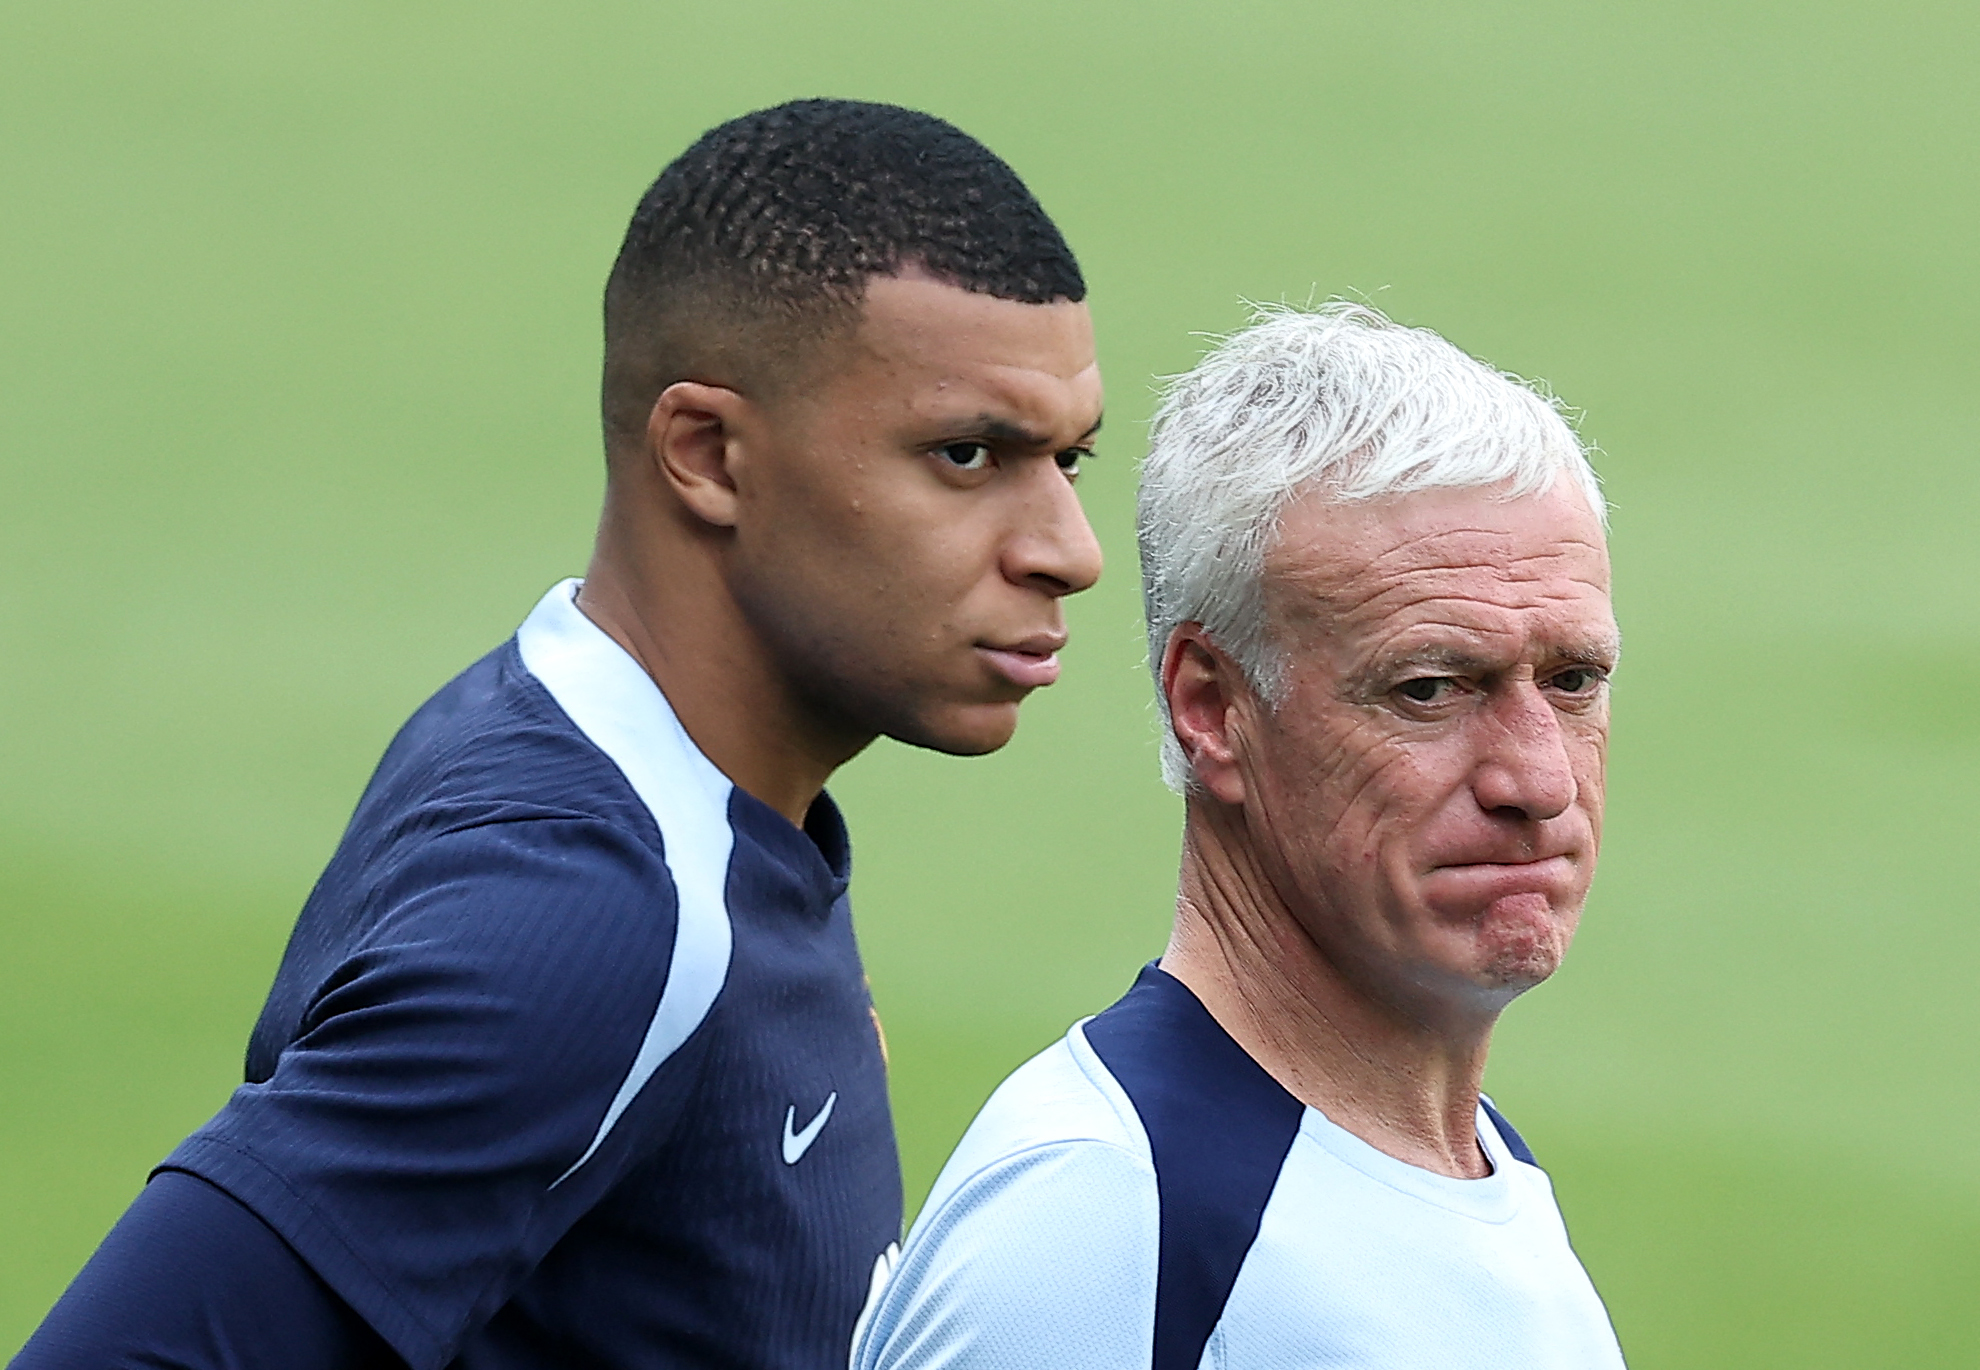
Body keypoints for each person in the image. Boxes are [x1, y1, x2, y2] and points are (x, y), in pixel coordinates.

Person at [14, 99, 1103, 1370]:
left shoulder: (645, 774)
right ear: (705, 452)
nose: (1067, 552)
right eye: (969, 454)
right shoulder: (594, 914)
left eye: (1069, 462)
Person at [854, 303, 1627, 1370]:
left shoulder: (1477, 1165)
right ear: (1212, 706)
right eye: (1431, 687)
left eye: (1574, 679)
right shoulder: (1107, 1220)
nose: (1539, 781)